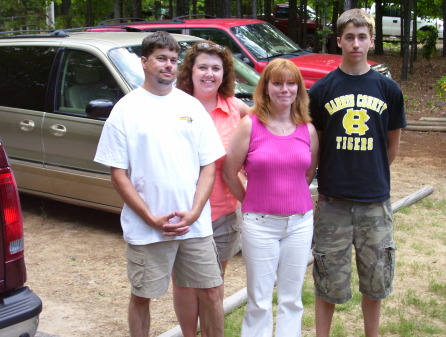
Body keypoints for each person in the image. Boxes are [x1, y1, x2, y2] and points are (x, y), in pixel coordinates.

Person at [94, 31, 225, 337]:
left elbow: (209, 166)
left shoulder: (192, 107)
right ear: (144, 61)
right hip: (147, 229)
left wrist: (194, 212)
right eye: (161, 58)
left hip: (195, 226)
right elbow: (118, 175)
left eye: (173, 59)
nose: (169, 65)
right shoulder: (125, 110)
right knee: (142, 297)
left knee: (211, 293)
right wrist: (149, 218)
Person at [308, 9, 407, 337]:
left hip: (374, 202)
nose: (355, 43)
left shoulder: (388, 89)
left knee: (375, 282)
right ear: (339, 41)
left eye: (362, 36)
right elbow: (316, 145)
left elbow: (390, 146)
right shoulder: (321, 90)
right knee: (328, 281)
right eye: (349, 36)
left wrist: (370, 172)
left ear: (371, 41)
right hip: (332, 202)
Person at [223, 58, 319, 337]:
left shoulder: (308, 130)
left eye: (291, 84)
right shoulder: (249, 126)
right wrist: (250, 200)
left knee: (292, 299)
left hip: (300, 223)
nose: (284, 89)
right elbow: (230, 173)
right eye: (277, 83)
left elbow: (308, 173)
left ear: (299, 90)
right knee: (260, 300)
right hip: (260, 224)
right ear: (265, 88)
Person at [174, 40, 249, 337]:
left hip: (223, 212)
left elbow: (262, 138)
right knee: (184, 284)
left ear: (225, 73)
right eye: (202, 66)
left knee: (213, 286)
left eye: (216, 68)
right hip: (182, 213)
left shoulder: (235, 108)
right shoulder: (174, 105)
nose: (209, 74)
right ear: (190, 71)